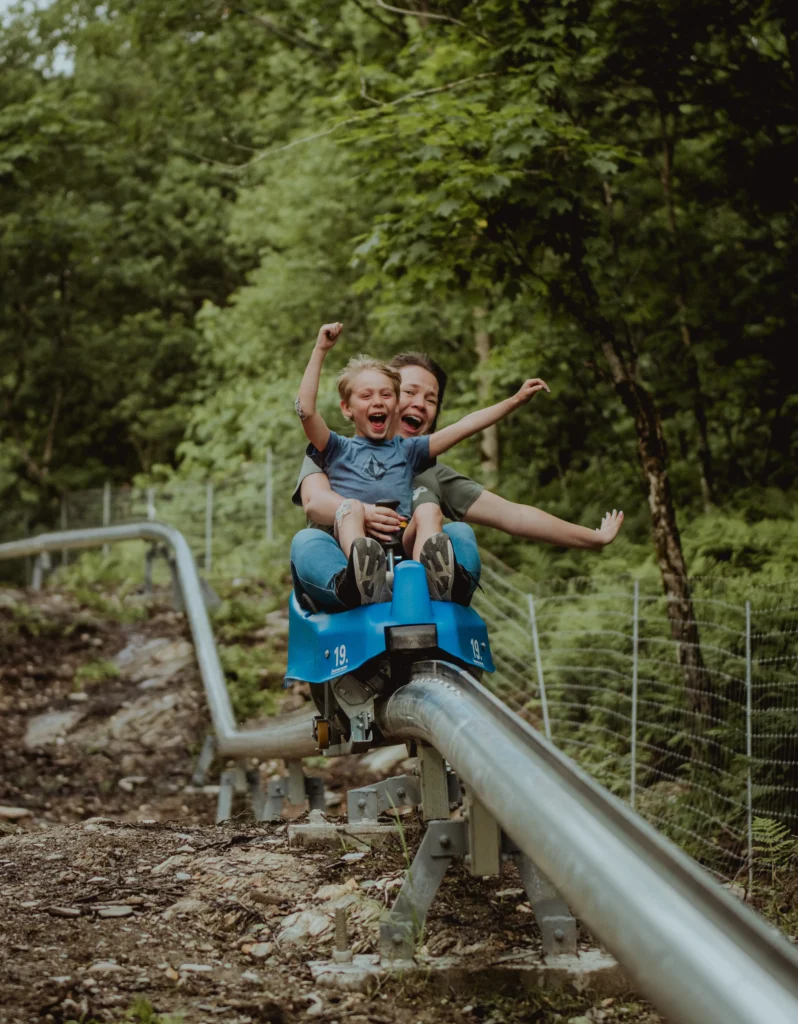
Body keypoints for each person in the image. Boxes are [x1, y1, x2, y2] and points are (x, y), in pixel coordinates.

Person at [291, 350, 624, 612]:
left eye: (431, 399)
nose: (419, 403)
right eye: (410, 391)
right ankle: (356, 583)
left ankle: (438, 583)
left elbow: (515, 515)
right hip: (339, 561)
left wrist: (592, 539)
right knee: (305, 542)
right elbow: (315, 501)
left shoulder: (426, 467)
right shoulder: (336, 451)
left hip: (407, 563)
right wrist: (361, 509)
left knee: (455, 529)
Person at [293, 322, 549, 608]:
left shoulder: (410, 450)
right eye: (366, 396)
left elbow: (465, 426)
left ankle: (435, 577)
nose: (377, 402)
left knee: (429, 509)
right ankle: (362, 578)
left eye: (386, 395)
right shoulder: (335, 447)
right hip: (355, 537)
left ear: (395, 404)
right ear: (347, 408)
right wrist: (321, 349)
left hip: (403, 543)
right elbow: (306, 411)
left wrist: (514, 400)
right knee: (349, 507)